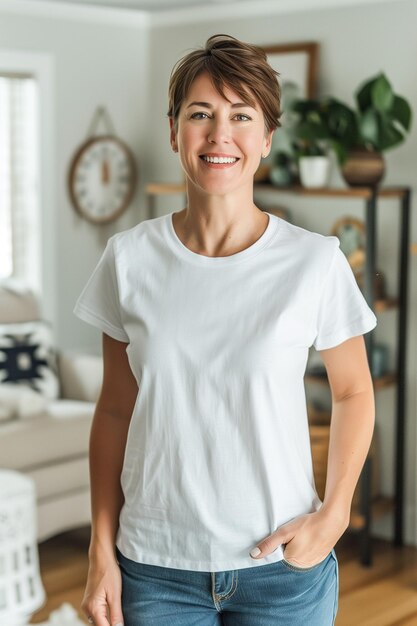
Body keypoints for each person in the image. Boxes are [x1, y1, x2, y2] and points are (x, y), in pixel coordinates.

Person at [74, 34, 377, 626]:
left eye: (241, 116)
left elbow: (354, 392)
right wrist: (98, 551)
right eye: (201, 114)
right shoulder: (128, 258)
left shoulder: (315, 262)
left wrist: (335, 512)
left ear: (266, 138)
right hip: (154, 570)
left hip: (283, 569)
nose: (220, 135)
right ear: (174, 131)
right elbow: (114, 409)